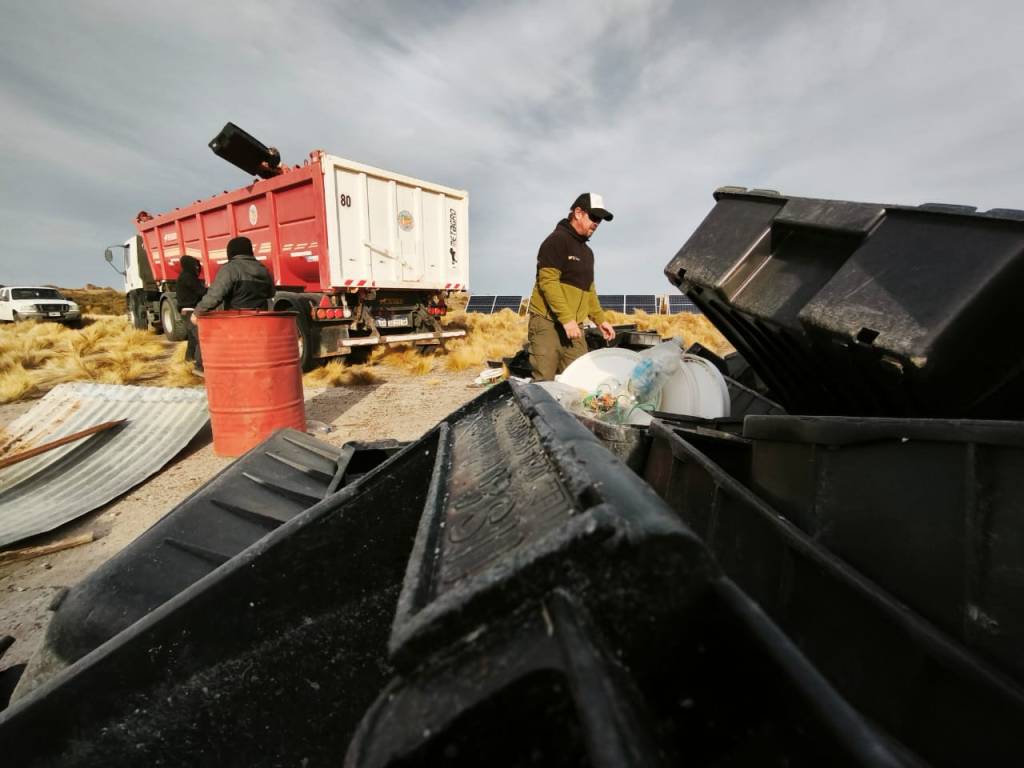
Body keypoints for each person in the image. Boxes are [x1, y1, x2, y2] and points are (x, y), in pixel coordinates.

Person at [526, 192, 616, 381]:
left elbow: (589, 291)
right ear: (578, 213)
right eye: (594, 217)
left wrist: (601, 321)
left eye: (600, 220)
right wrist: (567, 320)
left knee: (580, 381)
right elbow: (548, 283)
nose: (597, 223)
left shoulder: (588, 253)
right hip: (548, 324)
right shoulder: (556, 241)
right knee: (545, 384)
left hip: (574, 328)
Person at [190, 236, 274, 372]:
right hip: (259, 324)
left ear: (231, 252)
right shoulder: (264, 270)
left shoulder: (230, 269)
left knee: (204, 333)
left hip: (236, 324)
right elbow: (271, 293)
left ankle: (202, 368)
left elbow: (214, 296)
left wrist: (197, 313)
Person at [175, 255, 206, 366]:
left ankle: (188, 362)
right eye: (196, 265)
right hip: (190, 311)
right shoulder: (189, 277)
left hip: (185, 311)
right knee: (199, 339)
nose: (197, 268)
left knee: (192, 339)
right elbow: (201, 291)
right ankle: (199, 366)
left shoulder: (183, 276)